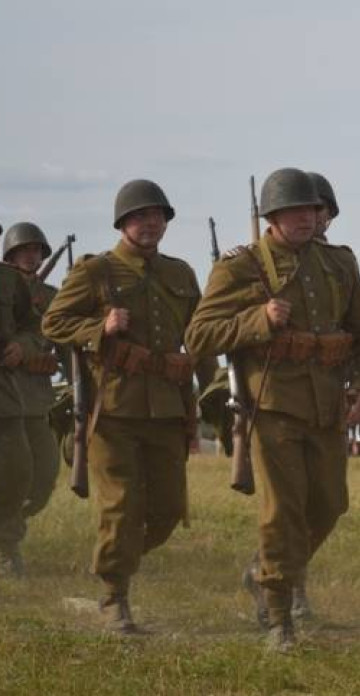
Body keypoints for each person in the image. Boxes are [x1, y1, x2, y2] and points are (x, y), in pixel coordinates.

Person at [185, 167, 360, 652]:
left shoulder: (339, 264)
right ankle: (278, 617)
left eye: (313, 209)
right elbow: (198, 336)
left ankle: (265, 572)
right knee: (282, 512)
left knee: (329, 504)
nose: (306, 217)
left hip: (327, 406)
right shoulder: (242, 267)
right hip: (271, 405)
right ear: (271, 215)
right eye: (295, 210)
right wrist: (258, 319)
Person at [42, 180, 217, 632]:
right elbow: (54, 321)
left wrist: (211, 390)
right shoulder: (96, 271)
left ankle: (110, 562)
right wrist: (101, 326)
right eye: (141, 216)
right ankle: (113, 596)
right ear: (122, 223)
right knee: (121, 509)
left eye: (158, 215)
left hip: (166, 409)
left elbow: (199, 335)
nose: (151, 222)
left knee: (167, 511)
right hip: (112, 409)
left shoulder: (180, 274)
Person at [0, 224, 63, 576]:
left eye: (36, 250)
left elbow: (37, 327)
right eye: (23, 250)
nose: (30, 256)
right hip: (11, 397)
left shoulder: (34, 290)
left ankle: (7, 531)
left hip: (24, 399)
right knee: (12, 473)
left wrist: (22, 347)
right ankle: (6, 546)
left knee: (33, 474)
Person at [0, 222, 34, 578]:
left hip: (4, 394)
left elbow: (34, 325)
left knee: (16, 472)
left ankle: (5, 548)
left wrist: (21, 345)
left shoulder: (10, 281)